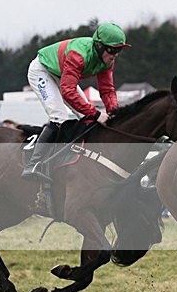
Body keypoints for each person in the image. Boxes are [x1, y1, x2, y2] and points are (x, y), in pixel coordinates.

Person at [22, 22, 131, 182]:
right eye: (112, 50)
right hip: (42, 70)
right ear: (99, 46)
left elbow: (107, 90)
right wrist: (96, 114)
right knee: (59, 117)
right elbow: (68, 92)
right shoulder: (78, 55)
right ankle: (33, 164)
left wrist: (114, 113)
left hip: (61, 74)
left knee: (85, 116)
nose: (115, 55)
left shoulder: (107, 61)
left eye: (119, 50)